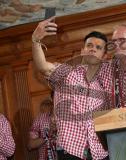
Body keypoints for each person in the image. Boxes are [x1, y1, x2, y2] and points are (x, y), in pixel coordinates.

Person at [32, 17, 109, 160]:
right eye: (89, 45)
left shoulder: (105, 84)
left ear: (104, 56)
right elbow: (42, 66)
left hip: (100, 152)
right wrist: (36, 40)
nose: (93, 49)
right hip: (71, 151)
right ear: (82, 50)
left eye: (98, 47)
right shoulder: (67, 73)